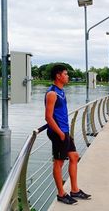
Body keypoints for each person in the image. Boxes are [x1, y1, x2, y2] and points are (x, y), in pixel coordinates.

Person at [45, 64, 91, 205]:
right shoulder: (52, 93)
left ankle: (75, 190)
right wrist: (60, 133)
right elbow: (48, 117)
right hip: (58, 132)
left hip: (64, 131)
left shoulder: (61, 91)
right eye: (65, 74)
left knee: (74, 156)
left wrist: (65, 132)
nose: (68, 76)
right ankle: (61, 194)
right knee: (58, 163)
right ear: (58, 76)